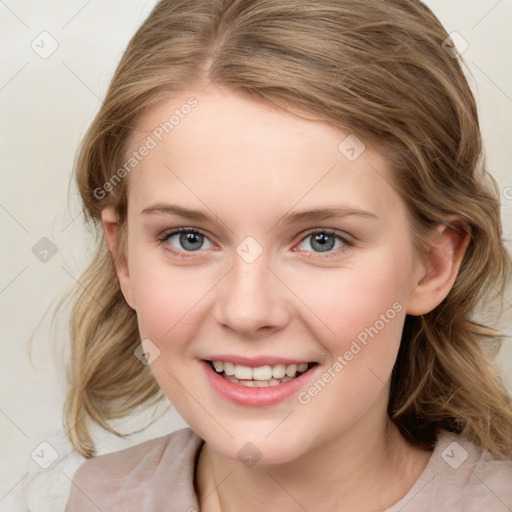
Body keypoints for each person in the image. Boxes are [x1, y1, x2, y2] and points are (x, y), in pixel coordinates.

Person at [63, 0, 512, 510]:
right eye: (189, 238)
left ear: (432, 265)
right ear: (124, 258)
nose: (247, 311)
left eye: (322, 240)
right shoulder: (101, 496)